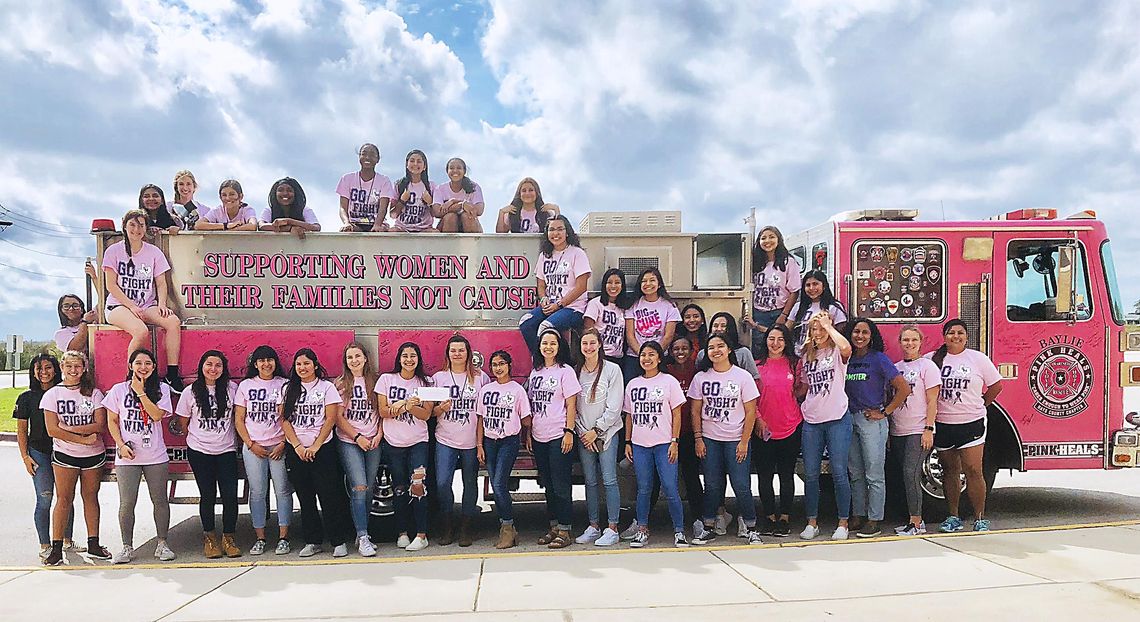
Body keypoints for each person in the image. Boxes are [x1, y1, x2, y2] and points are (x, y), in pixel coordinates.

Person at [928, 319, 1003, 533]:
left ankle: (979, 517)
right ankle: (953, 516)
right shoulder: (932, 359)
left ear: (967, 336)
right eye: (951, 333)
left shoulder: (978, 359)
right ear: (944, 336)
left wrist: (982, 404)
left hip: (971, 423)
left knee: (973, 470)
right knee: (950, 471)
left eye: (960, 332)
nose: (956, 336)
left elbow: (997, 385)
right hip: (943, 423)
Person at [40, 350, 113, 566]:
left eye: (78, 366)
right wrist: (82, 438)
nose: (74, 370)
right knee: (64, 499)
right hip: (65, 455)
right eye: (69, 366)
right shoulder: (52, 395)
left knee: (90, 498)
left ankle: (94, 543)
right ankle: (55, 548)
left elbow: (100, 425)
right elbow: (52, 430)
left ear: (84, 368)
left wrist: (70, 428)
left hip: (94, 455)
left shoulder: (94, 393)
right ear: (62, 368)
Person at [689, 335, 763, 545]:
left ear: (730, 349)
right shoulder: (701, 378)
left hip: (736, 440)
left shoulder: (743, 377)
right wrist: (698, 439)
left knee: (741, 484)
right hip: (710, 440)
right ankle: (708, 527)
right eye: (711, 347)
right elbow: (695, 411)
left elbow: (751, 412)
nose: (716, 350)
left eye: (720, 346)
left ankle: (751, 527)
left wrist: (744, 441)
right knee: (712, 485)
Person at [104, 348, 176, 564]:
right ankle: (127, 547)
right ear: (130, 366)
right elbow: (112, 421)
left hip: (155, 455)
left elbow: (155, 416)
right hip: (128, 456)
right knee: (127, 503)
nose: (143, 367)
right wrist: (120, 445)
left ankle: (162, 544)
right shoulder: (118, 390)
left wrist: (141, 392)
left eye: (147, 364)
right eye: (138, 363)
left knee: (160, 501)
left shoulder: (162, 389)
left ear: (154, 368)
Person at [843, 317, 911, 538]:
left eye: (864, 332)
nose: (859, 336)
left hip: (871, 420)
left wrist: (885, 412)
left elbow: (903, 388)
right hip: (849, 419)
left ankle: (875, 519)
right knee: (855, 472)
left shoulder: (879, 359)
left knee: (874, 473)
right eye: (856, 332)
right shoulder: (846, 358)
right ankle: (858, 515)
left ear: (871, 336)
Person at [280, 348, 351, 558]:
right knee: (305, 498)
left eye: (307, 363)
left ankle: (338, 541)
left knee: (329, 496)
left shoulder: (327, 387)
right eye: (299, 364)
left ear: (315, 365)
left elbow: (330, 419)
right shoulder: (287, 389)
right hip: (297, 451)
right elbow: (284, 420)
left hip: (323, 450)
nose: (303, 368)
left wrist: (316, 446)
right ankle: (312, 541)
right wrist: (298, 447)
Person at [103, 209, 184, 391]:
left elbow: (161, 283)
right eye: (132, 224)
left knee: (173, 322)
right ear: (124, 226)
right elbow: (111, 286)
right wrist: (131, 306)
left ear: (146, 228)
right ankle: (131, 378)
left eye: (141, 224)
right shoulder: (113, 251)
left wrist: (162, 304)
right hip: (119, 305)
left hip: (146, 304)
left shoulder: (154, 252)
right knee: (141, 331)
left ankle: (172, 374)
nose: (137, 229)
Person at [174, 350, 241, 559]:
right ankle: (210, 538)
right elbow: (183, 423)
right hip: (200, 452)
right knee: (208, 495)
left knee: (230, 496)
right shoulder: (190, 392)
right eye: (209, 364)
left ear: (224, 368)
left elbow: (238, 418)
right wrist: (199, 439)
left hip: (227, 450)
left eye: (218, 365)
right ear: (201, 366)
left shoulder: (233, 389)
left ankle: (228, 538)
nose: (213, 369)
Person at [14, 354, 80, 559]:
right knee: (45, 498)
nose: (43, 372)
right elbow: (22, 431)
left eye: (48, 367)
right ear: (33, 371)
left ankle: (67, 541)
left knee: (66, 498)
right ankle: (45, 545)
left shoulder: (64, 392)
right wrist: (25, 457)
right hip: (39, 453)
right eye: (38, 368)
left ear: (56, 369)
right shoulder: (26, 398)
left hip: (64, 450)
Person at [623, 341, 689, 548]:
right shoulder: (633, 384)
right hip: (640, 445)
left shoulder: (669, 381)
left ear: (659, 358)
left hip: (664, 444)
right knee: (644, 489)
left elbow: (677, 413)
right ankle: (642, 529)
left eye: (652, 354)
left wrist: (674, 441)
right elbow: (629, 416)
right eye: (643, 355)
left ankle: (679, 531)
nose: (647, 359)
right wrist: (627, 441)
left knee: (670, 487)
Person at [798, 311, 854, 541]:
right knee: (810, 474)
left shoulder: (836, 352)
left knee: (839, 473)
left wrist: (828, 326)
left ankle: (843, 523)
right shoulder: (806, 356)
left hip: (838, 418)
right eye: (814, 329)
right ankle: (812, 522)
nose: (818, 333)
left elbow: (847, 347)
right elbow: (803, 387)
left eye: (821, 329)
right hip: (812, 419)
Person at [430, 335, 489, 546]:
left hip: (471, 441)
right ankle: (447, 525)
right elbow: (429, 412)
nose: (457, 354)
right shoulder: (438, 378)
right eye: (453, 350)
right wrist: (440, 409)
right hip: (445, 438)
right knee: (442, 482)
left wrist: (481, 443)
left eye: (461, 350)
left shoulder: (481, 378)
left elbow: (483, 413)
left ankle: (466, 527)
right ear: (448, 353)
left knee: (470, 483)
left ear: (468, 353)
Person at [376, 342, 435, 551]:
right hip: (394, 443)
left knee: (418, 486)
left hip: (419, 441)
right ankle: (401, 533)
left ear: (418, 359)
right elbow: (383, 411)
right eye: (405, 356)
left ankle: (421, 534)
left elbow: (426, 414)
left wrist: (409, 407)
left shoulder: (426, 383)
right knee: (399, 488)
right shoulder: (386, 379)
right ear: (399, 359)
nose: (409, 360)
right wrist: (404, 405)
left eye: (413, 356)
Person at [234, 345, 293, 556]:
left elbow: (291, 418)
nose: (266, 364)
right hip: (254, 448)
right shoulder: (246, 386)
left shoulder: (285, 384)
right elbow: (239, 419)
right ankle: (260, 538)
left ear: (275, 362)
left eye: (270, 360)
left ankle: (284, 538)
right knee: (257, 493)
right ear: (255, 364)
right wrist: (250, 444)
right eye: (261, 360)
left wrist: (284, 443)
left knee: (283, 491)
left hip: (279, 446)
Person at [527, 329, 582, 549]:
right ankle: (553, 527)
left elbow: (571, 404)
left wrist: (569, 431)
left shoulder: (565, 371)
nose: (548, 347)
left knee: (561, 485)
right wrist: (530, 434)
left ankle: (565, 529)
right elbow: (532, 406)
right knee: (548, 485)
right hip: (539, 435)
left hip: (559, 436)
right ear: (539, 347)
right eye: (544, 343)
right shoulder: (536, 372)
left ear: (560, 347)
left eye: (553, 343)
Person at [573, 328, 624, 546]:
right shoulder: (576, 371)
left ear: (600, 344)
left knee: (610, 479)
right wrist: (584, 432)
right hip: (584, 435)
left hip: (607, 434)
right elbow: (572, 407)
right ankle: (593, 526)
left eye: (592, 343)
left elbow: (615, 406)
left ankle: (612, 527)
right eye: (585, 343)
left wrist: (597, 431)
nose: (589, 347)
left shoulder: (612, 370)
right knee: (591, 481)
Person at [477, 350, 532, 549]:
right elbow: (480, 419)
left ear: (509, 366)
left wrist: (528, 436)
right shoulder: (486, 390)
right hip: (490, 442)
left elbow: (526, 419)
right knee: (495, 484)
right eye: (494, 365)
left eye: (501, 364)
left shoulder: (517, 390)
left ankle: (508, 527)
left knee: (500, 484)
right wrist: (479, 445)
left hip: (509, 441)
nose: (498, 368)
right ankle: (506, 527)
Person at [752, 324, 802, 538]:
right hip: (764, 428)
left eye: (780, 339)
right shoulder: (756, 365)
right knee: (764, 476)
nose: (775, 343)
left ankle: (785, 518)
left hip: (791, 426)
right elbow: (750, 398)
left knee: (786, 475)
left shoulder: (795, 364)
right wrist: (759, 420)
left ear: (786, 342)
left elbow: (802, 389)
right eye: (771, 338)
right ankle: (769, 517)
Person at [891, 325, 941, 536]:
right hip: (897, 430)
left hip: (918, 429)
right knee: (902, 476)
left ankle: (917, 522)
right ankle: (910, 519)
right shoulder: (895, 367)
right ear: (900, 342)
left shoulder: (927, 367)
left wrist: (928, 428)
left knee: (911, 473)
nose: (909, 344)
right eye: (905, 340)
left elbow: (932, 400)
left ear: (921, 342)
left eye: (913, 340)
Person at [333, 342, 382, 557]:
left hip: (374, 441)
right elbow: (338, 417)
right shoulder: (342, 384)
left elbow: (382, 411)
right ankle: (362, 536)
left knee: (370, 488)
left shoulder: (376, 381)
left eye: (358, 356)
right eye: (350, 357)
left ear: (365, 358)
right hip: (350, 441)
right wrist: (357, 436)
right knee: (359, 487)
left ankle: (365, 533)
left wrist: (379, 434)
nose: (354, 360)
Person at [519, 215, 591, 356]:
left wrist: (559, 305)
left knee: (545, 327)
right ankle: (539, 361)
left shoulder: (577, 253)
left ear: (567, 231)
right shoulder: (544, 256)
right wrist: (544, 299)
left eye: (559, 229)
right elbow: (541, 284)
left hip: (572, 308)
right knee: (525, 322)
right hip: (551, 305)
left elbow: (581, 287)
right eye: (551, 229)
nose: (555, 233)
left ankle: (552, 364)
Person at [664, 336, 705, 531]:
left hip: (689, 433)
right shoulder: (666, 372)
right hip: (667, 435)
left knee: (691, 477)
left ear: (691, 351)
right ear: (670, 352)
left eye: (684, 348)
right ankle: (641, 522)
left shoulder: (697, 373)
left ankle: (699, 519)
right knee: (658, 480)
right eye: (676, 349)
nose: (680, 352)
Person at [743, 226, 801, 355]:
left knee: (779, 347)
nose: (767, 241)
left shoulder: (789, 262)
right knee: (759, 349)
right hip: (759, 313)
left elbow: (794, 291)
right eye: (763, 238)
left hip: (778, 312)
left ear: (779, 239)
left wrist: (784, 315)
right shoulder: (755, 262)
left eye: (771, 237)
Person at [623, 267, 680, 382]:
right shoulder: (633, 304)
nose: (648, 284)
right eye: (644, 281)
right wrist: (643, 356)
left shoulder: (669, 306)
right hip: (634, 357)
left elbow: (668, 336)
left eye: (652, 280)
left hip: (659, 358)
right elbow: (630, 335)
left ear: (659, 284)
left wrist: (654, 355)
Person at [786, 270, 847, 355]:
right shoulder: (798, 307)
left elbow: (841, 334)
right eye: (808, 285)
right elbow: (786, 330)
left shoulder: (834, 307)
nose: (811, 288)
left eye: (815, 284)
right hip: (799, 356)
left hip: (825, 356)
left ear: (824, 286)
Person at [337, 143, 394, 231]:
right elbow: (343, 207)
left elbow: (383, 208)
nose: (367, 157)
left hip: (376, 223)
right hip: (355, 223)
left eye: (372, 155)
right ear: (359, 156)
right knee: (348, 230)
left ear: (377, 159)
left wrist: (377, 225)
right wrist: (346, 223)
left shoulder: (384, 180)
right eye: (364, 154)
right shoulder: (347, 179)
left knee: (380, 232)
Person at [584, 268, 633, 365]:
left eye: (617, 282)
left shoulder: (625, 307)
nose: (613, 286)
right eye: (609, 282)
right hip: (599, 356)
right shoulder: (595, 303)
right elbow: (587, 330)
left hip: (618, 357)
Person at [698, 312, 760, 379]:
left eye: (723, 326)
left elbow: (754, 378)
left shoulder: (743, 352)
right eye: (715, 326)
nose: (719, 329)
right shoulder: (702, 353)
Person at [390, 150, 436, 233]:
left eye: (419, 161)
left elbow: (435, 214)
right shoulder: (399, 185)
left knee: (435, 233)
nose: (415, 164)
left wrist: (430, 202)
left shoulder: (431, 186)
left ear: (424, 166)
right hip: (402, 228)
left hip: (424, 229)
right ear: (407, 165)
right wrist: (402, 201)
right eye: (412, 161)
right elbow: (392, 215)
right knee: (391, 231)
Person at [434, 157, 485, 233]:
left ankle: (471, 244)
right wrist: (461, 205)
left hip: (469, 224)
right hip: (447, 226)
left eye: (459, 168)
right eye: (451, 168)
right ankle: (449, 244)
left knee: (467, 216)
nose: (455, 171)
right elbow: (437, 212)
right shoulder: (440, 189)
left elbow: (479, 210)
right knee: (451, 217)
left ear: (464, 171)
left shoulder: (474, 187)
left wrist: (454, 202)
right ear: (447, 171)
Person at [496, 177, 561, 233]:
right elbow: (500, 234)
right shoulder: (512, 213)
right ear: (519, 194)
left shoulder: (547, 213)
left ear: (536, 193)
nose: (527, 193)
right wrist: (501, 213)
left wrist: (556, 210)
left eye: (531, 190)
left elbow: (558, 231)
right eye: (524, 190)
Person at [194, 180, 259, 231]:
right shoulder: (217, 211)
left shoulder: (247, 210)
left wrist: (231, 230)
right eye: (224, 195)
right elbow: (198, 225)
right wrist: (226, 226)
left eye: (232, 194)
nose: (227, 198)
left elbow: (253, 226)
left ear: (240, 196)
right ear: (220, 197)